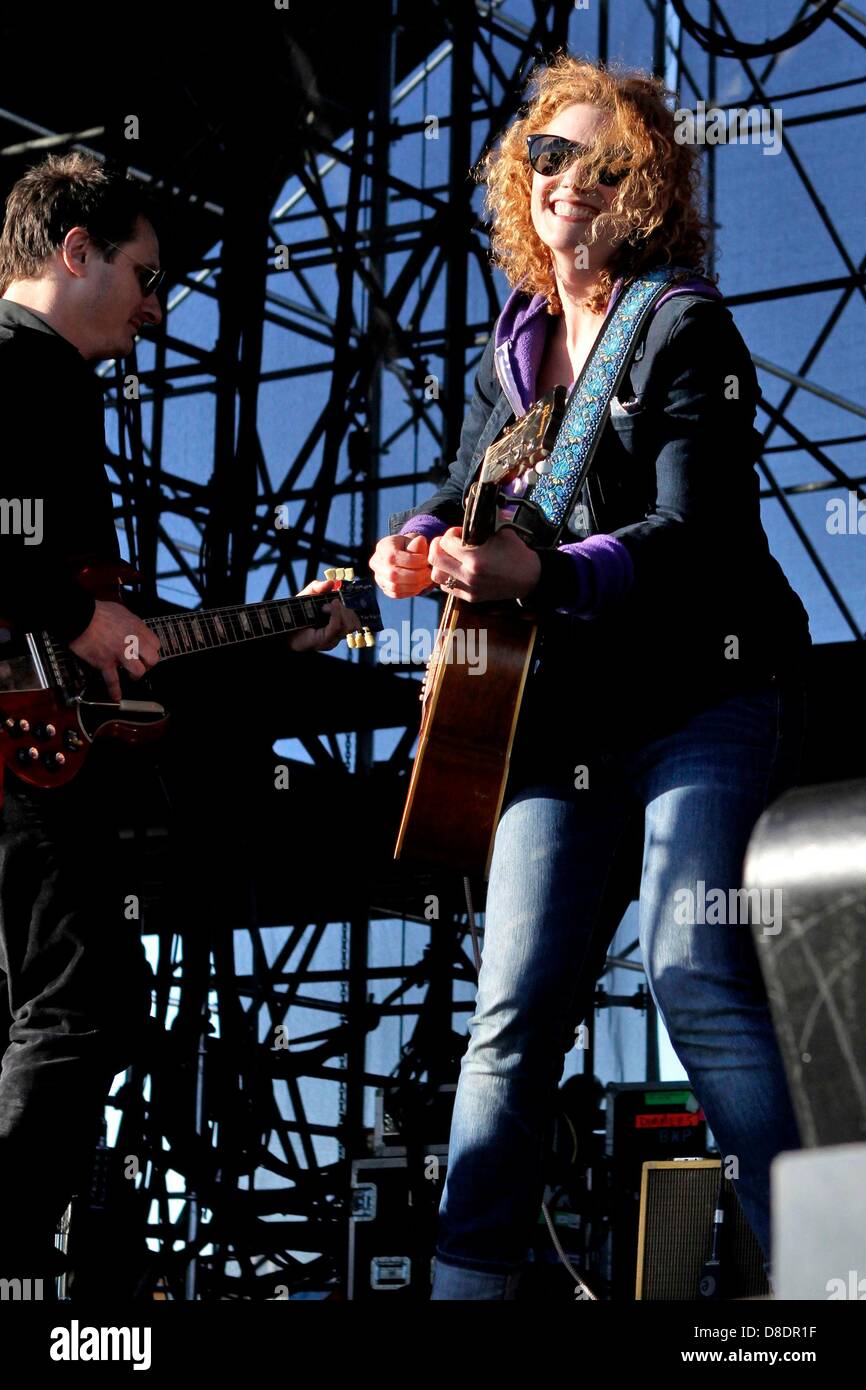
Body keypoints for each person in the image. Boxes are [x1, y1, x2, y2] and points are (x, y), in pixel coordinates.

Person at [369, 56, 812, 1299]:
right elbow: (470, 493)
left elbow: (696, 538)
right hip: (554, 712)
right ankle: (471, 1284)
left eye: (605, 162)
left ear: (646, 191)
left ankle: (831, 1271)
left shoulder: (682, 327)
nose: (571, 178)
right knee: (508, 1015)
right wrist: (416, 541)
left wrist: (541, 576)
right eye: (549, 155)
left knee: (691, 964)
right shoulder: (509, 351)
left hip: (699, 699)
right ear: (525, 178)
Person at [0, 152, 353, 1287]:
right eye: (144, 274)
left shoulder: (57, 383)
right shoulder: (16, 367)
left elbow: (118, 640)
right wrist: (68, 608)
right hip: (23, 762)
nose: (156, 305)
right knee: (83, 999)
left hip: (46, 747)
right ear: (76, 251)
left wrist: (273, 633)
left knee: (73, 999)